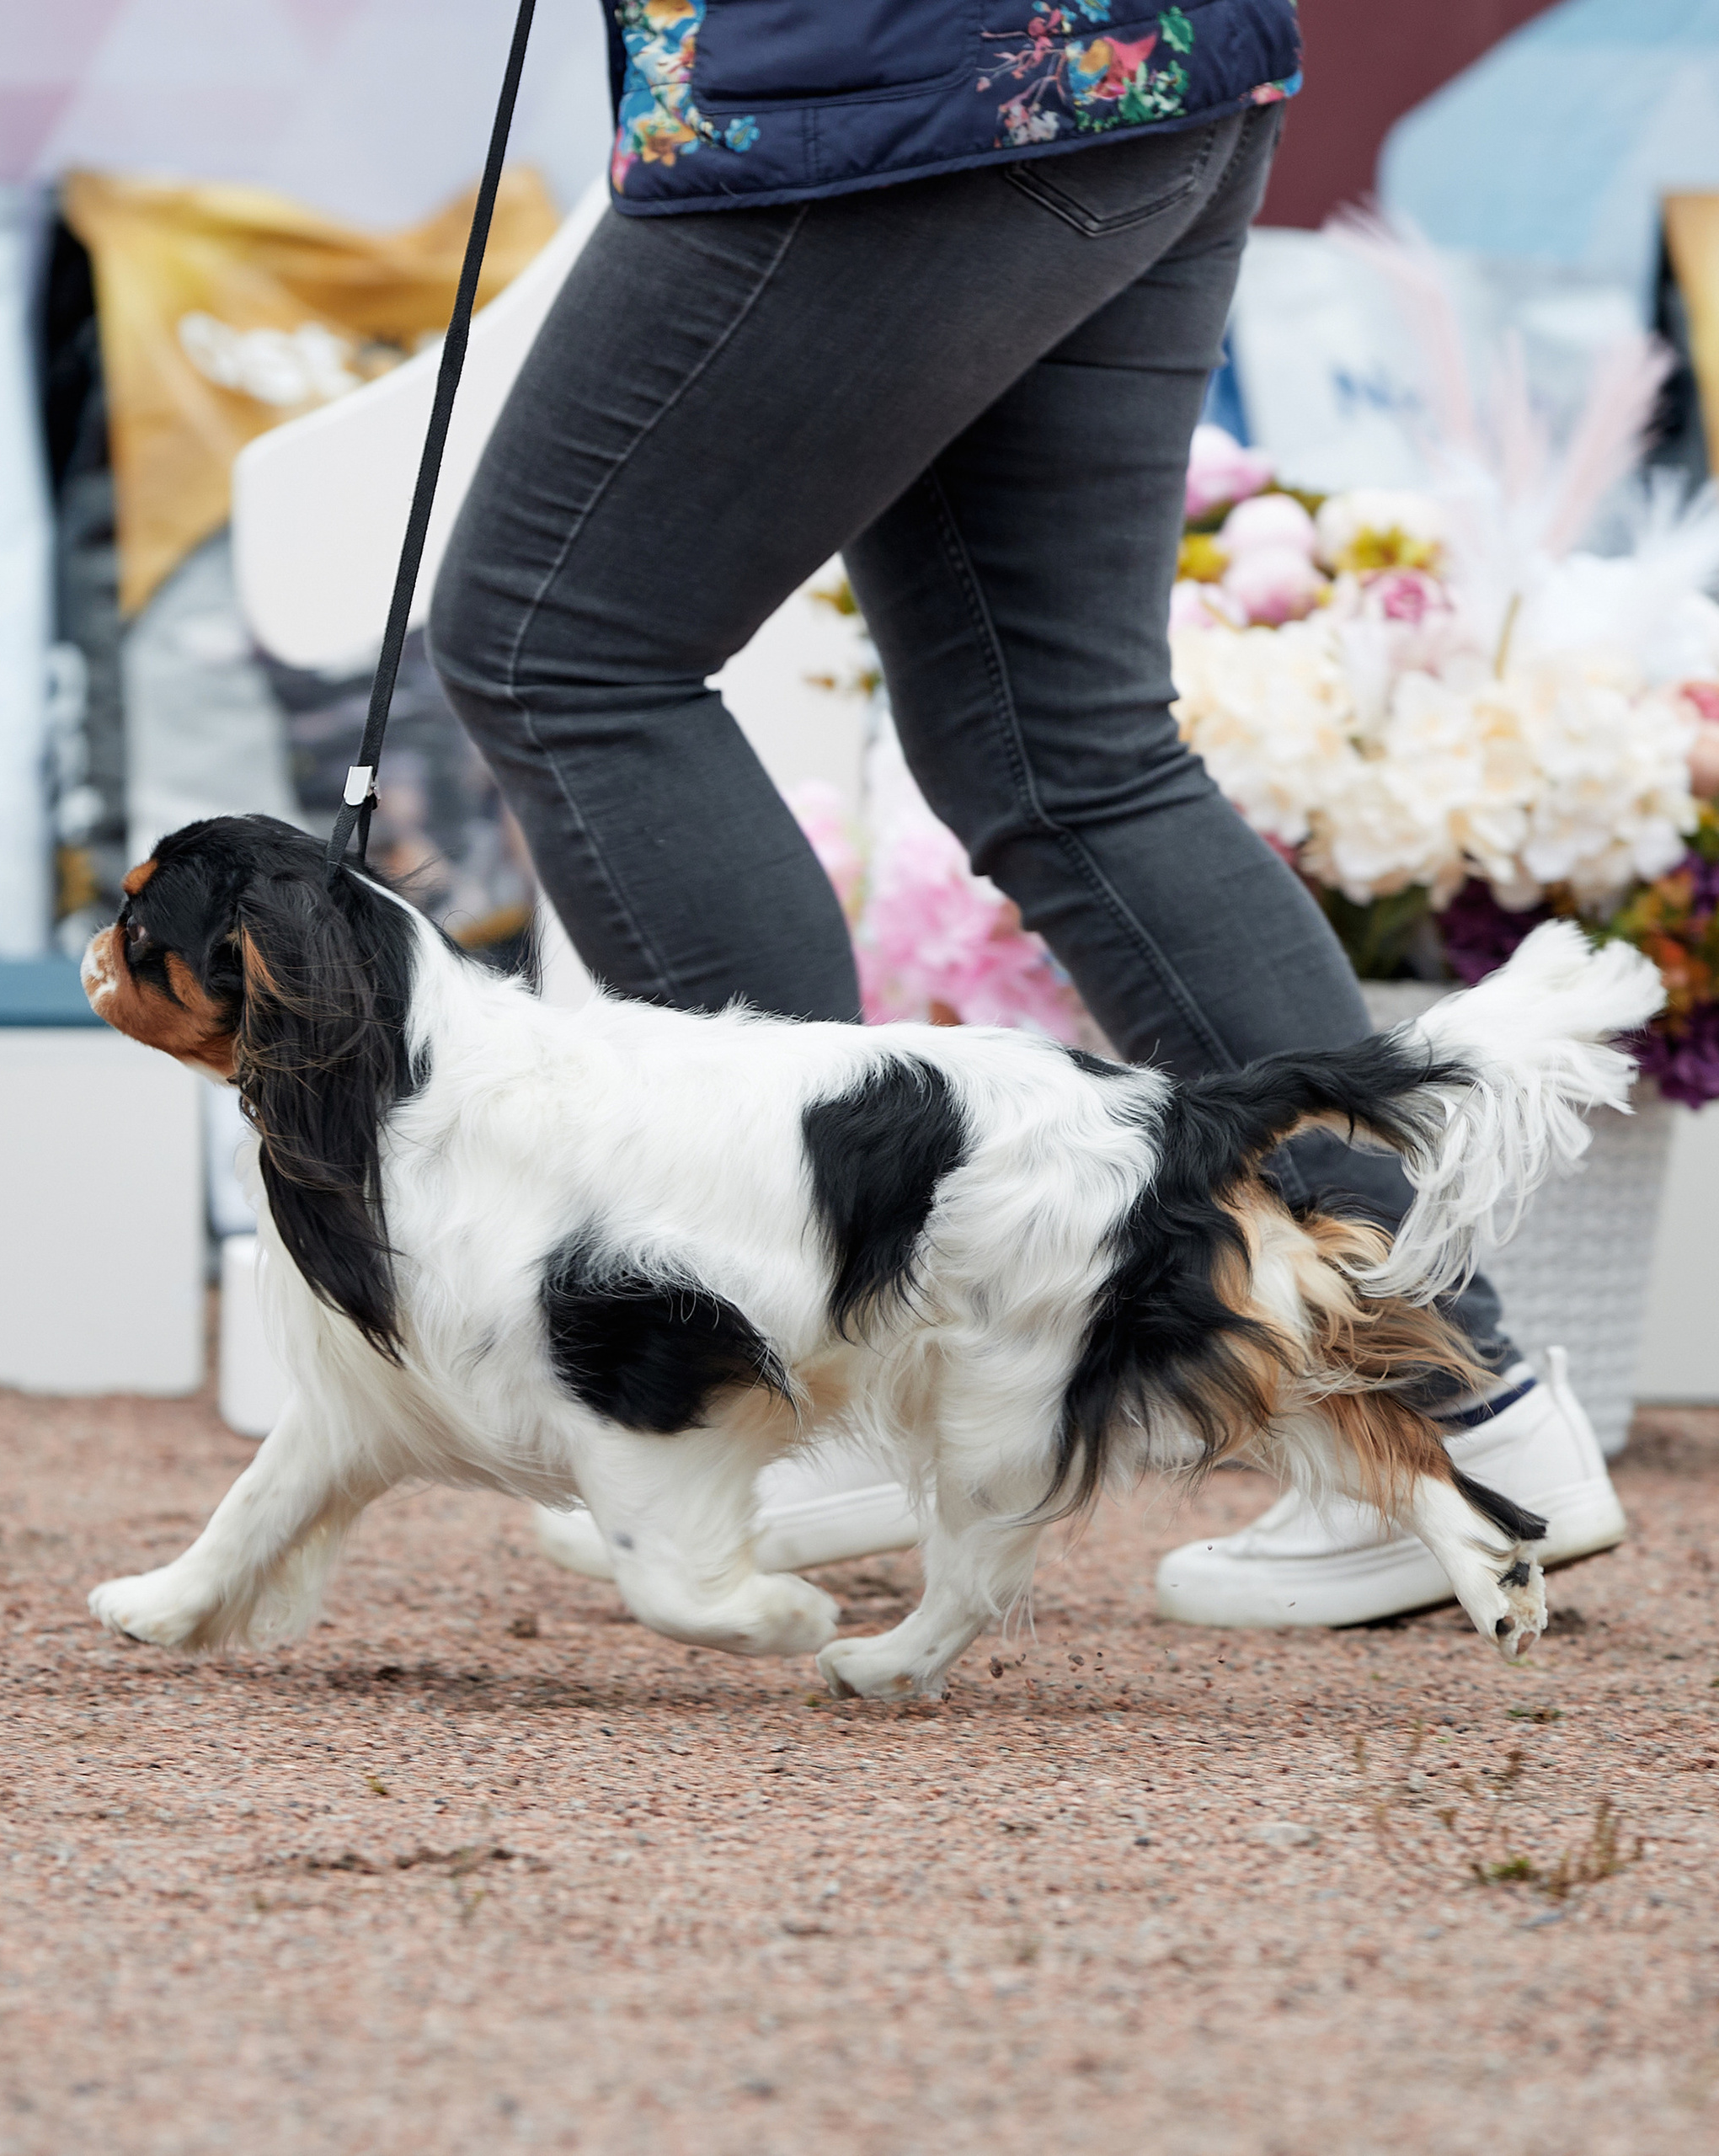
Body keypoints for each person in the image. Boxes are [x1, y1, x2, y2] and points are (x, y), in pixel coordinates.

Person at [429, 0, 1625, 1630]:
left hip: (888, 87)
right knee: (1067, 751)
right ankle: (1467, 1426)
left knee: (557, 642)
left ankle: (799, 1383)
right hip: (1137, 63)